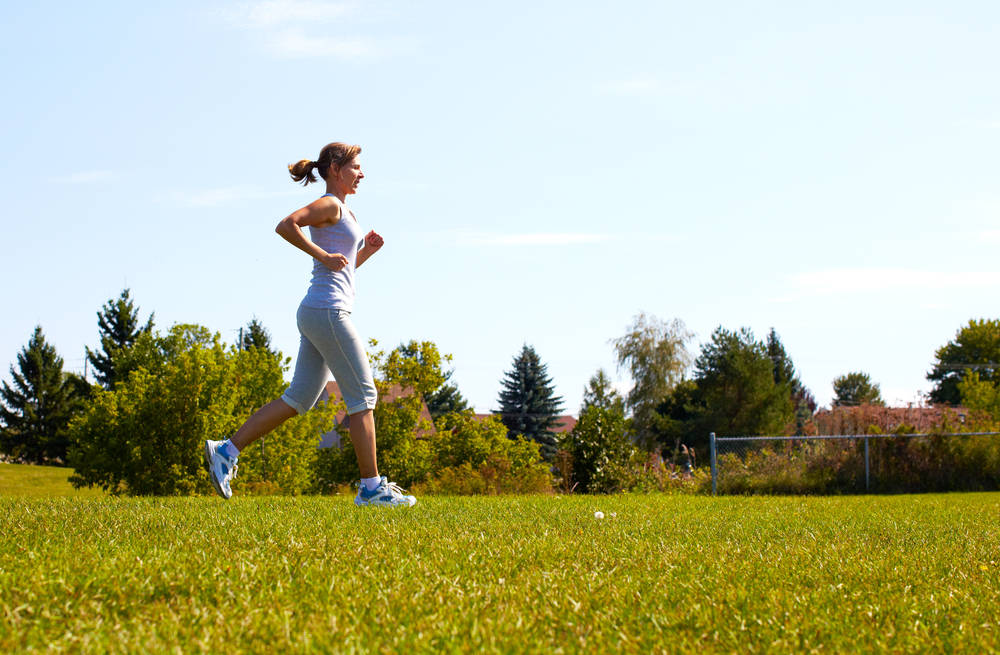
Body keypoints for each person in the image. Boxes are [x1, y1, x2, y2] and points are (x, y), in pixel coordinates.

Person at [203, 142, 416, 507]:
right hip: (328, 312)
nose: (361, 173)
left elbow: (340, 267)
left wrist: (364, 253)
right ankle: (370, 488)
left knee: (298, 399)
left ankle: (226, 449)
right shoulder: (330, 204)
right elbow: (286, 225)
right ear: (335, 168)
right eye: (356, 167)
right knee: (364, 397)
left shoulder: (345, 212)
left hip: (320, 310)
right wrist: (320, 253)